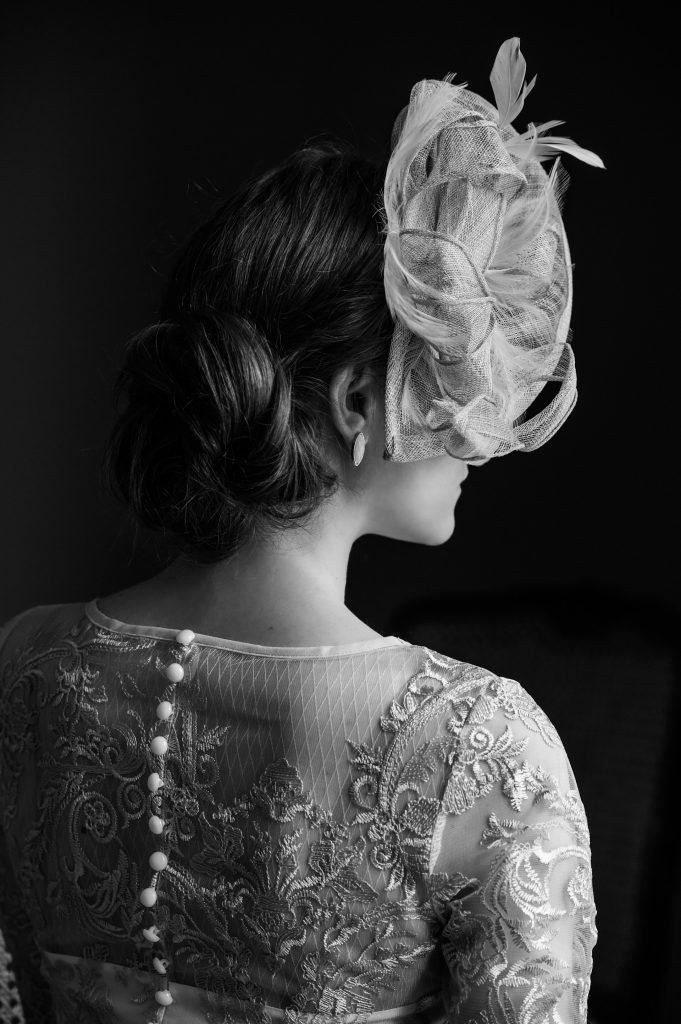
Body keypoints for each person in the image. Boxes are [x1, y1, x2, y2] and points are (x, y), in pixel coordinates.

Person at [0, 38, 602, 1024]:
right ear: (360, 398)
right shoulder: (483, 752)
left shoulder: (26, 666)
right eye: (454, 376)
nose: (484, 431)